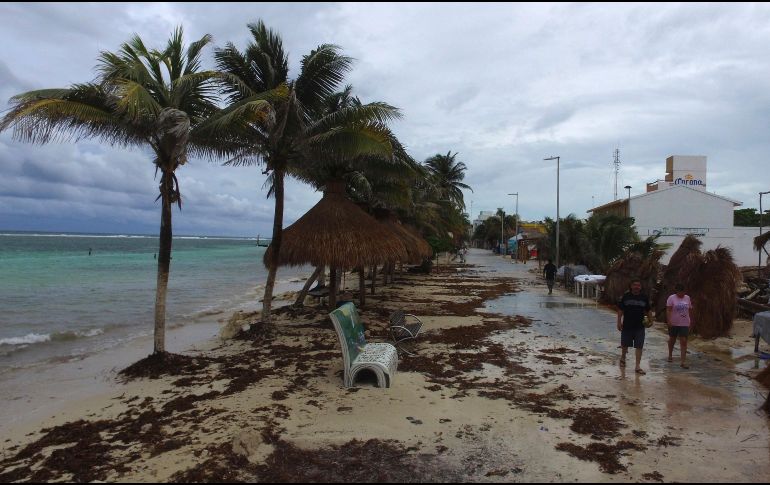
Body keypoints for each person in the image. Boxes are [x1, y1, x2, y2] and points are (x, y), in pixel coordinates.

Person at [616, 278, 653, 375]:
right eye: (635, 285)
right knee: (625, 344)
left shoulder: (644, 297)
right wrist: (619, 322)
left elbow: (648, 310)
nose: (637, 287)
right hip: (627, 325)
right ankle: (623, 358)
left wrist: (651, 320)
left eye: (638, 285)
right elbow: (620, 310)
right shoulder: (626, 296)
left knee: (639, 346)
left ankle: (637, 366)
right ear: (631, 286)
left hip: (640, 326)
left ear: (640, 287)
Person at [666, 283, 692, 369]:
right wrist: (669, 320)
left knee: (684, 341)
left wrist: (690, 321)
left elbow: (689, 309)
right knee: (672, 339)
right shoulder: (671, 298)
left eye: (683, 292)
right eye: (680, 292)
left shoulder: (687, 298)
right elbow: (669, 310)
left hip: (684, 323)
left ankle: (683, 361)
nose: (682, 294)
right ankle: (670, 354)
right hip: (674, 322)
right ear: (676, 291)